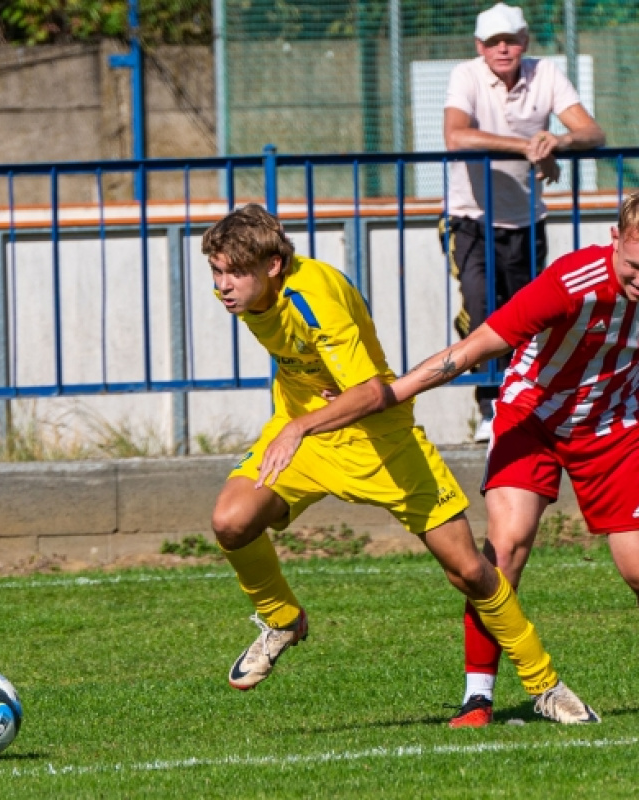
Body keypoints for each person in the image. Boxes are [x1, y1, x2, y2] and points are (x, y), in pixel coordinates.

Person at [200, 202, 597, 724]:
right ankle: (282, 619)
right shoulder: (254, 294)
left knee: (469, 571)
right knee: (231, 522)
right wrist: (300, 416)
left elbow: (370, 391)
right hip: (312, 435)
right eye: (215, 271)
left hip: (381, 443)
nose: (222, 285)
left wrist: (300, 424)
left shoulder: (314, 297)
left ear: (272, 267)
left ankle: (543, 682)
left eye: (234, 273)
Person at [388, 190, 639, 727]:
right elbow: (476, 347)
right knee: (504, 551)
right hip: (534, 416)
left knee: (637, 566)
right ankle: (477, 700)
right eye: (636, 267)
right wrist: (393, 393)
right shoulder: (572, 282)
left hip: (614, 424)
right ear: (616, 239)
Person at [442, 2, 605, 442]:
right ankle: (488, 407)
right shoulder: (466, 75)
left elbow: (593, 133)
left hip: (527, 221)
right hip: (469, 219)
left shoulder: (544, 72)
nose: (503, 49)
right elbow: (455, 136)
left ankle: (526, 405)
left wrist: (559, 140)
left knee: (530, 317)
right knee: (480, 308)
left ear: (525, 41)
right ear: (479, 46)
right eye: (493, 41)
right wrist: (527, 147)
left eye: (511, 39)